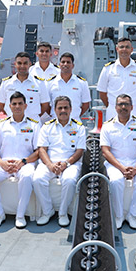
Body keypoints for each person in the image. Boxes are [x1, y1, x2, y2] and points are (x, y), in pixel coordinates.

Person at [0, 91, 40, 229]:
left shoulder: (34, 125)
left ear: (25, 106)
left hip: (25, 163)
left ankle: (20, 215)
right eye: (14, 104)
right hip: (4, 163)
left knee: (27, 177)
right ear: (10, 106)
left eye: (20, 103)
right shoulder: (1, 125)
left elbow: (38, 151)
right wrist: (2, 163)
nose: (17, 106)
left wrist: (23, 161)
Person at [32, 96, 86, 227]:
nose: (63, 110)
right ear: (55, 110)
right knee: (37, 179)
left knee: (69, 180)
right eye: (60, 108)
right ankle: (47, 211)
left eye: (66, 107)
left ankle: (63, 213)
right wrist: (50, 165)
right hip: (49, 163)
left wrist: (66, 164)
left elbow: (79, 151)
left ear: (71, 109)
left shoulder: (79, 127)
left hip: (70, 163)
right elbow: (42, 149)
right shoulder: (47, 127)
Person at [100, 94, 136, 230]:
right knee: (116, 181)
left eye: (126, 104)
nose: (123, 107)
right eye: (120, 104)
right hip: (115, 164)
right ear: (115, 107)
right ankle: (119, 216)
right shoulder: (107, 126)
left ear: (132, 107)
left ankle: (132, 215)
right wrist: (122, 168)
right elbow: (105, 151)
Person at [97, 37, 136, 120]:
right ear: (117, 49)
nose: (124, 49)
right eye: (121, 47)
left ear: (131, 49)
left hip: (134, 111)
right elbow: (102, 92)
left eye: (127, 47)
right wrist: (112, 105)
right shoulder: (108, 68)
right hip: (114, 112)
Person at [0, 52, 51, 120]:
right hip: (12, 123)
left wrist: (33, 118)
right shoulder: (6, 83)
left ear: (30, 64)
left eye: (25, 63)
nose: (22, 66)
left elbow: (45, 104)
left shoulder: (39, 83)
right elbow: (1, 104)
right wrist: (10, 115)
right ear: (15, 64)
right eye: (19, 63)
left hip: (32, 124)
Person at [45, 52, 91, 121]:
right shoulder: (50, 83)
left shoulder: (82, 83)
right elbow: (46, 104)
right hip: (55, 122)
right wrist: (54, 115)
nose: (65, 64)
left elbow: (86, 104)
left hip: (74, 122)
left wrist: (75, 115)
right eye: (63, 62)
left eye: (68, 62)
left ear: (73, 65)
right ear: (59, 64)